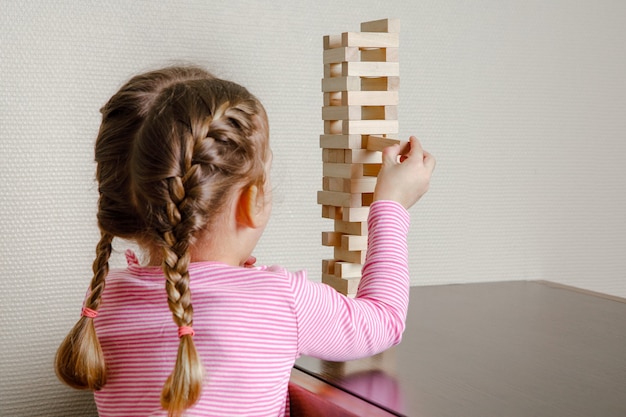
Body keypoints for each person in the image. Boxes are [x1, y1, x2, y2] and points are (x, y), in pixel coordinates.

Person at [55, 65, 435, 417]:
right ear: (251, 201)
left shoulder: (103, 303)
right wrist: (391, 203)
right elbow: (383, 321)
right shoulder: (280, 300)